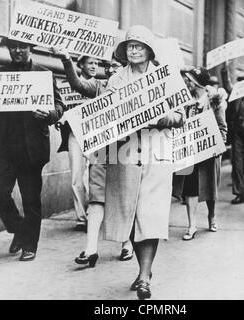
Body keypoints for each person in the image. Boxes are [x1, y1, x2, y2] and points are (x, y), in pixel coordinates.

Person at [102, 25, 184, 300]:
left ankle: (144, 275)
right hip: (124, 153)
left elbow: (180, 116)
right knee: (130, 214)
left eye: (139, 46)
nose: (134, 50)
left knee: (150, 215)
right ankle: (142, 268)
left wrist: (162, 118)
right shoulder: (115, 80)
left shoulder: (167, 79)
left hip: (156, 153)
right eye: (129, 46)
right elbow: (102, 115)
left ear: (150, 50)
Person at [0, 38, 64, 261]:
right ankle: (19, 229)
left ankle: (30, 244)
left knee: (30, 199)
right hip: (3, 147)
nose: (17, 50)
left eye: (22, 46)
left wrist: (48, 115)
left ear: (31, 49)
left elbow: (59, 106)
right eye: (13, 46)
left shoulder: (44, 74)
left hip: (31, 148)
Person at [52, 48, 134, 263]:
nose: (111, 70)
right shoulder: (99, 87)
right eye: (109, 67)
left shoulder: (136, 90)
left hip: (126, 151)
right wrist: (66, 59)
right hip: (101, 149)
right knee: (96, 197)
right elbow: (77, 85)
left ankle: (127, 244)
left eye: (117, 66)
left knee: (124, 198)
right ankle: (91, 249)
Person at [180, 67, 228, 239]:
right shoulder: (185, 102)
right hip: (191, 150)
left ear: (196, 83)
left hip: (210, 151)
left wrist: (218, 148)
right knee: (190, 188)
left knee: (210, 187)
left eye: (189, 80)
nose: (186, 83)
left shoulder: (214, 102)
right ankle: (191, 225)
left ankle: (212, 216)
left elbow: (222, 127)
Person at [56, 55, 100, 232]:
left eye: (96, 63)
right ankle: (81, 217)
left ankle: (94, 213)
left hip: (96, 134)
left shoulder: (100, 85)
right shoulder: (68, 86)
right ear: (81, 65)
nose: (94, 66)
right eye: (90, 63)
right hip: (75, 134)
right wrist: (61, 119)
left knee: (95, 176)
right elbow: (64, 109)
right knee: (76, 177)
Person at [221, 66, 244, 205]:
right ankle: (239, 193)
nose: (242, 84)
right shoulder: (235, 94)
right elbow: (227, 84)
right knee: (238, 164)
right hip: (238, 134)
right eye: (240, 82)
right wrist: (225, 70)